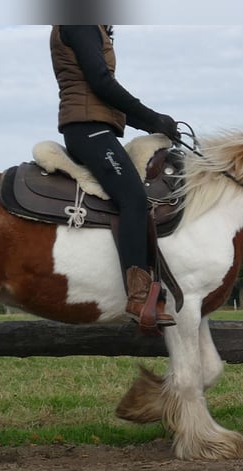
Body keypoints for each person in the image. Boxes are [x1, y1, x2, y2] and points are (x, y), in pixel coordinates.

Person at [50, 24, 179, 329]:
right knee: (133, 198)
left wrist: (154, 125)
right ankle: (138, 295)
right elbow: (102, 83)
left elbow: (105, 94)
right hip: (87, 129)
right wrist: (152, 117)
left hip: (96, 127)